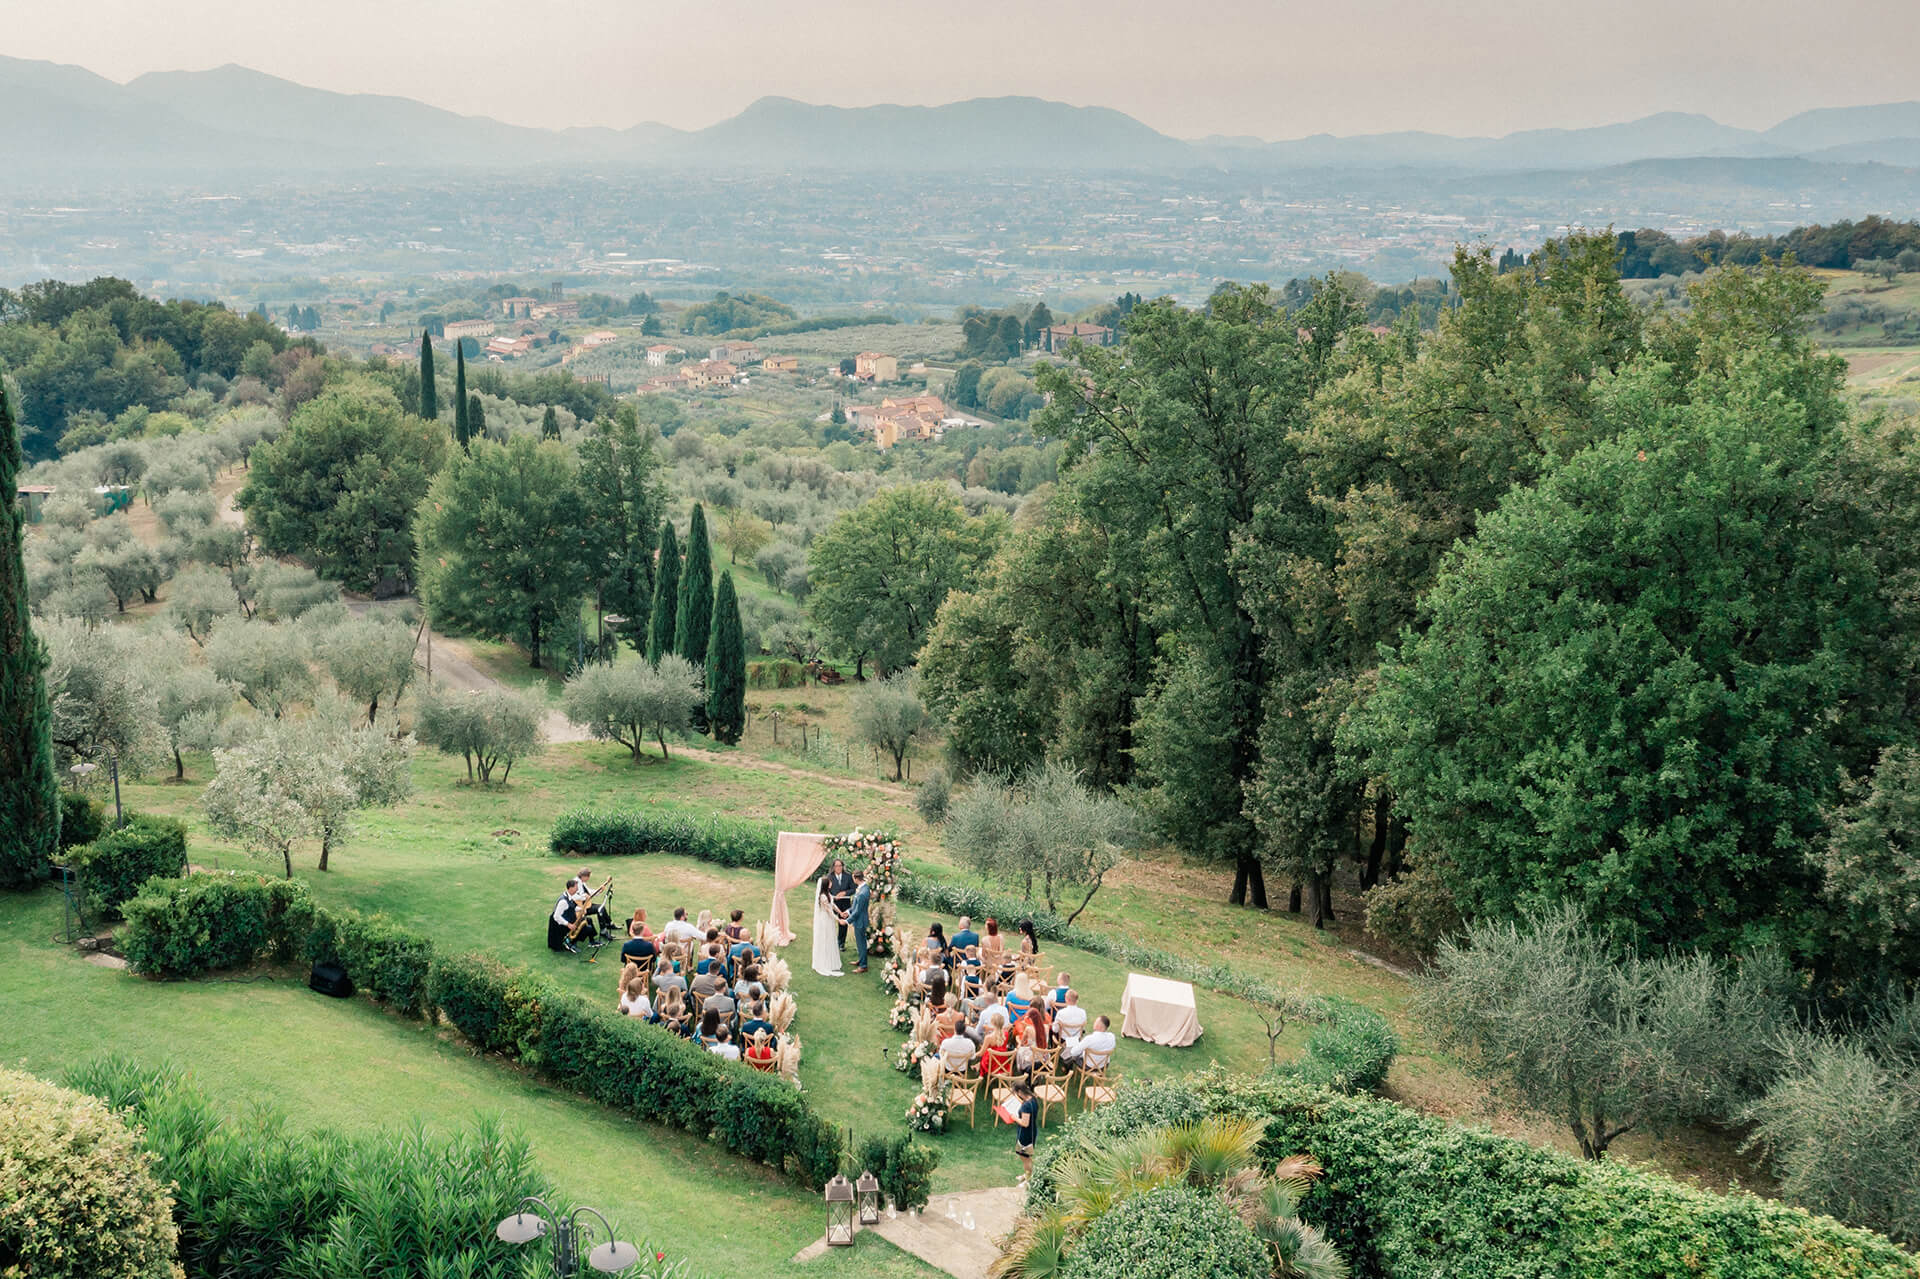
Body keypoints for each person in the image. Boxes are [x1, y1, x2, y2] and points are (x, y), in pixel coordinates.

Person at [812, 871, 846, 977]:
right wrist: (838, 920)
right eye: (830, 882)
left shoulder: (828, 894)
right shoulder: (823, 897)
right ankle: (824, 961)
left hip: (829, 919)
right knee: (825, 938)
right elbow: (829, 911)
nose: (832, 883)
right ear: (826, 884)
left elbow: (833, 905)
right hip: (825, 920)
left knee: (831, 938)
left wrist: (840, 912)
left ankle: (831, 960)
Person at [1010, 1079, 1038, 1184]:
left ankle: (1028, 1178)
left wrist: (1014, 1117)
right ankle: (1027, 1175)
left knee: (1025, 1157)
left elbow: (1025, 1123)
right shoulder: (1033, 1099)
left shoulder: (1026, 1106)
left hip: (1025, 1133)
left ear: (1020, 1092)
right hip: (1032, 1131)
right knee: (1026, 1156)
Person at [825, 859, 856, 949]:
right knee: (830, 922)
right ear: (833, 867)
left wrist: (844, 893)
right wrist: (832, 896)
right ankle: (830, 942)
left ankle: (841, 943)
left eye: (840, 866)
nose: (838, 868)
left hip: (845, 903)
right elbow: (825, 890)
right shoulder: (829, 877)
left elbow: (853, 889)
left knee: (843, 924)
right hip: (833, 903)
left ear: (842, 866)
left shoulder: (848, 876)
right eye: (836, 866)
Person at [847, 870, 872, 972]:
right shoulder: (863, 888)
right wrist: (848, 912)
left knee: (861, 943)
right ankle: (861, 960)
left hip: (860, 921)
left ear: (856, 878)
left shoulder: (863, 893)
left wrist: (847, 921)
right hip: (859, 919)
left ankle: (863, 966)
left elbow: (858, 911)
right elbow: (855, 906)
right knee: (860, 942)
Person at [548, 878, 582, 952]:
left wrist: (581, 909)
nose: (577, 889)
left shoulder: (569, 895)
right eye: (576, 888)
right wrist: (568, 924)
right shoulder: (563, 901)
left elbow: (571, 907)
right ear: (571, 888)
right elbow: (556, 916)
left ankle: (571, 941)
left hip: (564, 919)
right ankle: (568, 943)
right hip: (558, 924)